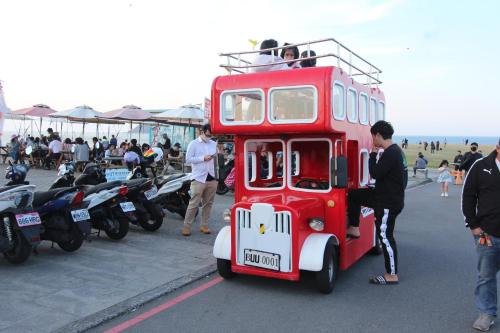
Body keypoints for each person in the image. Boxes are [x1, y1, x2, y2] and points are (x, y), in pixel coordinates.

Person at [346, 121, 406, 285]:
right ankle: (355, 227)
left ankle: (391, 275)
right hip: (383, 197)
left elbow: (375, 173)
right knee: (354, 195)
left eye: (373, 137)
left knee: (386, 237)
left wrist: (372, 154)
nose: (373, 140)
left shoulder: (391, 153)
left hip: (387, 203)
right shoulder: (395, 151)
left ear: (378, 135)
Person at [462, 139, 500, 331]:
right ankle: (486, 313)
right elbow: (468, 195)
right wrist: (473, 225)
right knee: (486, 276)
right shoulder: (481, 166)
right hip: (488, 232)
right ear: (498, 147)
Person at [181, 124, 217, 236]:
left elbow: (215, 159)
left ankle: (204, 225)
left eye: (211, 135)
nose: (209, 137)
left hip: (212, 177)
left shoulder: (213, 143)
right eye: (207, 135)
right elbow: (188, 159)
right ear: (202, 131)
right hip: (198, 177)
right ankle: (186, 227)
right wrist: (203, 158)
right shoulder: (194, 143)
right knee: (194, 203)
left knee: (208, 204)